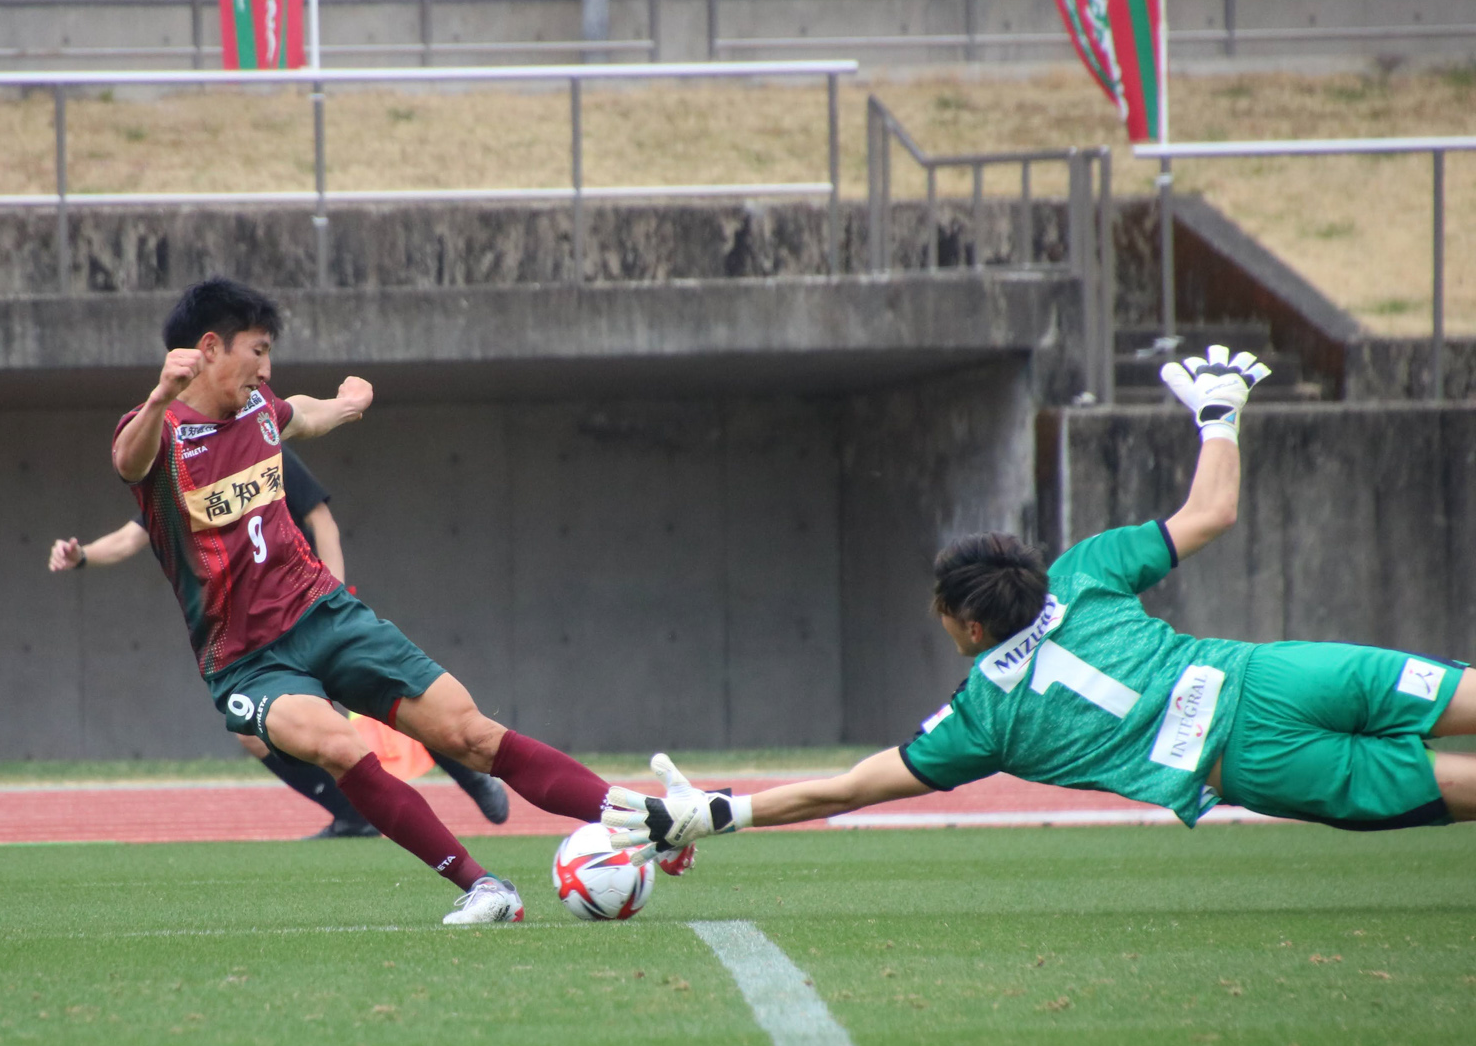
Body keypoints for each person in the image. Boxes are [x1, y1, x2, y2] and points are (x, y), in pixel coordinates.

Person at [605, 345, 1475, 859]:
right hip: (1280, 674)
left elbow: (850, 787)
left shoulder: (985, 719)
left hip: (1251, 762)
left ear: (971, 625)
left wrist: (720, 812)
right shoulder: (1084, 573)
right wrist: (1218, 414)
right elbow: (1212, 512)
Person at [111, 277, 679, 924]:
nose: (266, 369)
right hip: (248, 661)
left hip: (324, 614)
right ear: (210, 347)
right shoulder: (159, 431)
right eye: (258, 351)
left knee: (470, 734)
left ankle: (651, 822)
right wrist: (159, 395)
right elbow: (129, 460)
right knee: (338, 746)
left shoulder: (260, 408)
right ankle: (484, 886)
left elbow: (303, 412)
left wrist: (348, 404)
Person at [50, 444, 512, 838]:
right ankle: (353, 816)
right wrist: (82, 555)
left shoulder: (261, 442)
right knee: (254, 733)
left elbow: (322, 521)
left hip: (312, 609)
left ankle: (471, 777)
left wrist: (334, 602)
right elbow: (130, 538)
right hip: (259, 633)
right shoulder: (181, 478)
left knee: (381, 697)